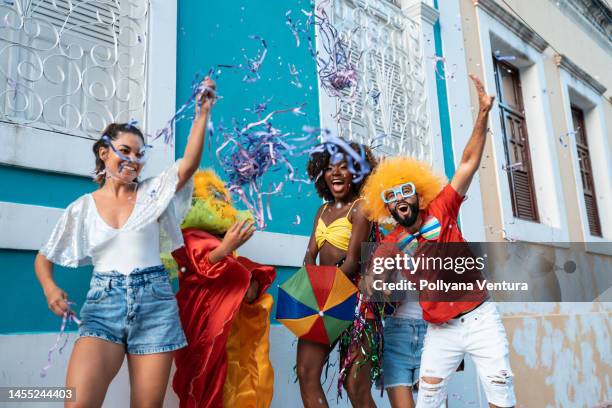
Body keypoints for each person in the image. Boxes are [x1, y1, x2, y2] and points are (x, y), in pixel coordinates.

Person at [34, 79, 216, 407]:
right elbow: (44, 258)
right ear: (105, 153)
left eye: (139, 154)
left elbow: (187, 165)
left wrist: (203, 111)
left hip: (155, 305)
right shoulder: (82, 208)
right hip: (103, 306)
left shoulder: (150, 194)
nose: (133, 159)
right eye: (125, 150)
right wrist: (50, 288)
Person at [362, 75, 516, 408]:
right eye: (391, 197)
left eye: (406, 192)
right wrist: (377, 287)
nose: (399, 199)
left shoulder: (442, 209)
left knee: (499, 391)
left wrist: (483, 113)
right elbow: (372, 280)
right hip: (440, 330)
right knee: (429, 398)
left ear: (418, 194)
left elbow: (468, 163)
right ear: (386, 206)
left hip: (479, 317)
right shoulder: (391, 243)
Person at [169, 169, 275, 408]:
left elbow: (235, 277)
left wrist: (250, 285)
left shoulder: (222, 238)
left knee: (227, 382)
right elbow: (203, 263)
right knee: (201, 377)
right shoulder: (187, 236)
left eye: (221, 197)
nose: (219, 203)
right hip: (200, 321)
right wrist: (225, 248)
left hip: (226, 327)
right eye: (211, 197)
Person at [298, 141, 379, 408]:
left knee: (355, 387)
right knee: (307, 374)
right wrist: (311, 285)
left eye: (344, 168)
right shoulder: (321, 211)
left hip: (354, 303)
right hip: (321, 300)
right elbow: (310, 252)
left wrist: (325, 290)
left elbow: (353, 261)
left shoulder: (361, 207)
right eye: (330, 168)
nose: (336, 173)